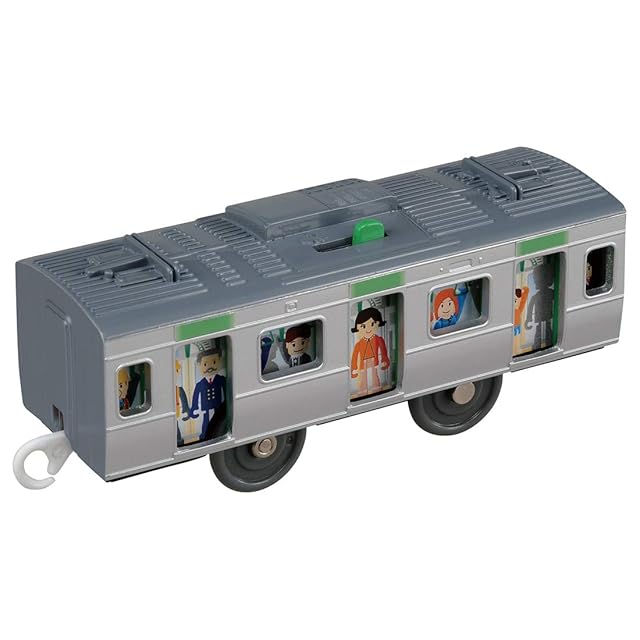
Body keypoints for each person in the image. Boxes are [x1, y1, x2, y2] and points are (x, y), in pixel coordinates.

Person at [350, 307, 390, 397]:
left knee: (374, 373)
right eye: (363, 326)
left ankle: (376, 388)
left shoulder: (378, 339)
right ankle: (363, 390)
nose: (368, 329)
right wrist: (354, 368)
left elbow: (383, 350)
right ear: (358, 327)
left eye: (372, 324)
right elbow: (355, 356)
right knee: (363, 375)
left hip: (373, 360)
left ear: (377, 323)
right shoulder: (359, 344)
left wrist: (385, 360)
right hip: (363, 361)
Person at [190, 348, 226, 441]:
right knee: (206, 421)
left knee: (218, 420)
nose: (210, 367)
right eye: (205, 364)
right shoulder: (200, 384)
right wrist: (194, 408)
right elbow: (195, 396)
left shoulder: (221, 379)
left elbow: (226, 390)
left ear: (219, 361)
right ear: (199, 365)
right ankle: (204, 436)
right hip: (206, 407)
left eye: (214, 362)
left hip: (219, 406)